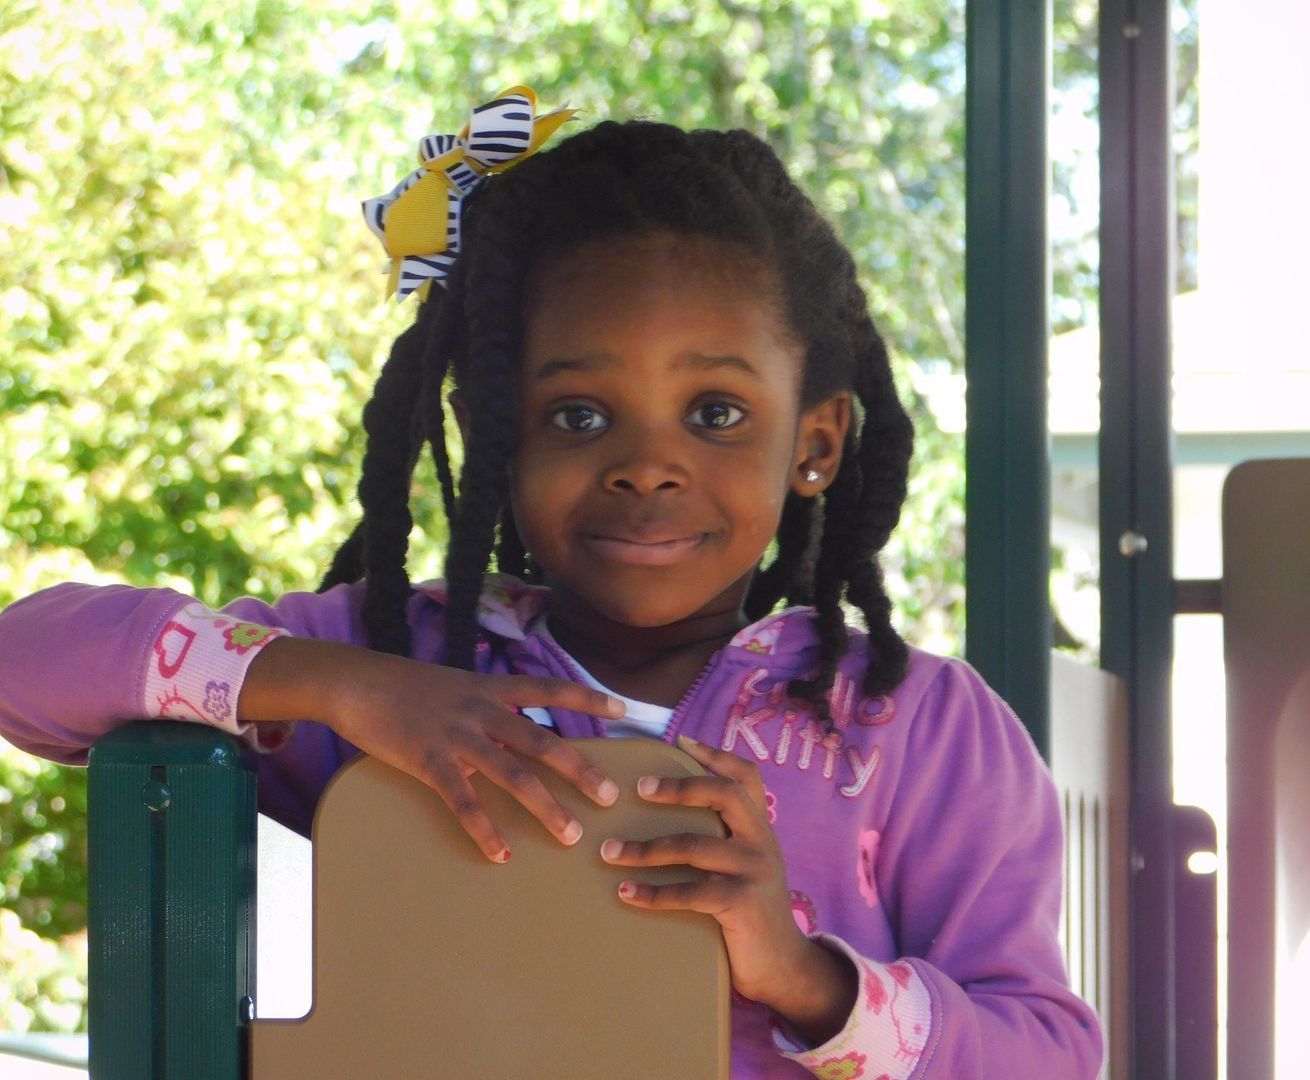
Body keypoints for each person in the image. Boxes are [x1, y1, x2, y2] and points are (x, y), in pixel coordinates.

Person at [0, 87, 1104, 1078]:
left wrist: (807, 977)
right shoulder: (402, 666)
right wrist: (341, 691)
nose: (645, 463)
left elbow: (1049, 1055)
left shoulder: (921, 732)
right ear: (491, 435)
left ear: (815, 443)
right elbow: (25, 665)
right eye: (578, 415)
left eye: (716, 413)